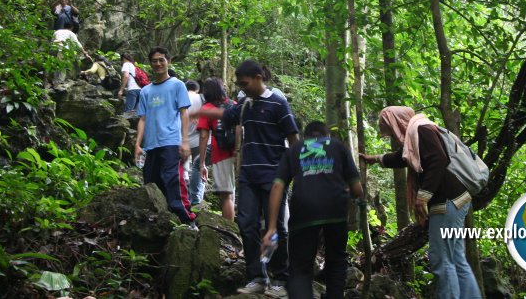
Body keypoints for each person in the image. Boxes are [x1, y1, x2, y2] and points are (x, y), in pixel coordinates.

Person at [360, 107, 481, 299]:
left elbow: (438, 159)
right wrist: (375, 159)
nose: (392, 135)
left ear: (398, 122)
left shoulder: (421, 129)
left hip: (446, 202)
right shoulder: (419, 132)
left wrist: (423, 196)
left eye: (390, 129)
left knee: (442, 260)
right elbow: (403, 157)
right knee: (456, 260)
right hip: (457, 200)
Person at [200, 60, 299, 296]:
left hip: (274, 175)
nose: (241, 88)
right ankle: (256, 275)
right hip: (247, 174)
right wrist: (197, 110)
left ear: (258, 77)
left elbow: (293, 137)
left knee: (277, 229)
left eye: (244, 83)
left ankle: (281, 279)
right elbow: (226, 113)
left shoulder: (278, 102)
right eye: (239, 84)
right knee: (246, 224)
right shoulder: (244, 103)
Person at [262, 121, 363, 299]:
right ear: (327, 137)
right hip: (335, 209)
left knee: (300, 267)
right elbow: (357, 189)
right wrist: (347, 193)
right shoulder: (338, 147)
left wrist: (271, 227)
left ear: (304, 138)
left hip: (303, 209)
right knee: (336, 262)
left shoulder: (294, 150)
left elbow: (277, 187)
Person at [133, 46, 196, 227]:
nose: (158, 63)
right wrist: (138, 144)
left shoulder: (177, 85)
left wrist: (184, 141)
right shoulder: (146, 91)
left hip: (171, 141)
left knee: (172, 180)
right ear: (150, 63)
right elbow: (142, 119)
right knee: (152, 182)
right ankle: (161, 221)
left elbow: (184, 113)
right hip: (151, 144)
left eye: (162, 60)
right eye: (155, 60)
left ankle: (185, 219)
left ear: (169, 61)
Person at [196, 77, 235, 220]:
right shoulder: (234, 104)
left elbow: (203, 137)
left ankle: (229, 233)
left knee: (226, 197)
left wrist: (202, 164)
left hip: (221, 154)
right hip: (239, 154)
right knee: (236, 194)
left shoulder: (207, 109)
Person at [184, 79, 207, 206]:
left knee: (184, 169)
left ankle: (184, 196)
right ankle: (198, 199)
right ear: (197, 89)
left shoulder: (181, 96)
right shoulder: (202, 98)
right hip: (200, 138)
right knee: (199, 166)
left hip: (183, 138)